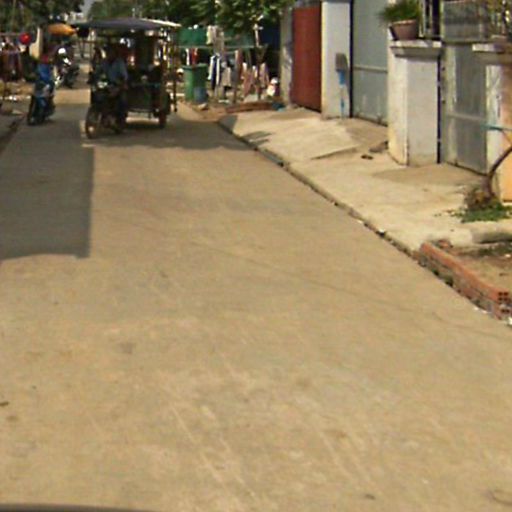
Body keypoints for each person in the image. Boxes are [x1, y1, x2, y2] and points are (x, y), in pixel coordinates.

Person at [101, 45, 128, 124]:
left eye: (111, 53)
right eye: (108, 53)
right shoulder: (104, 62)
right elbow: (99, 71)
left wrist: (121, 84)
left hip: (118, 85)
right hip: (107, 84)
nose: (109, 54)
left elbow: (124, 76)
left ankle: (121, 119)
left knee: (122, 100)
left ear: (115, 54)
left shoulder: (119, 63)